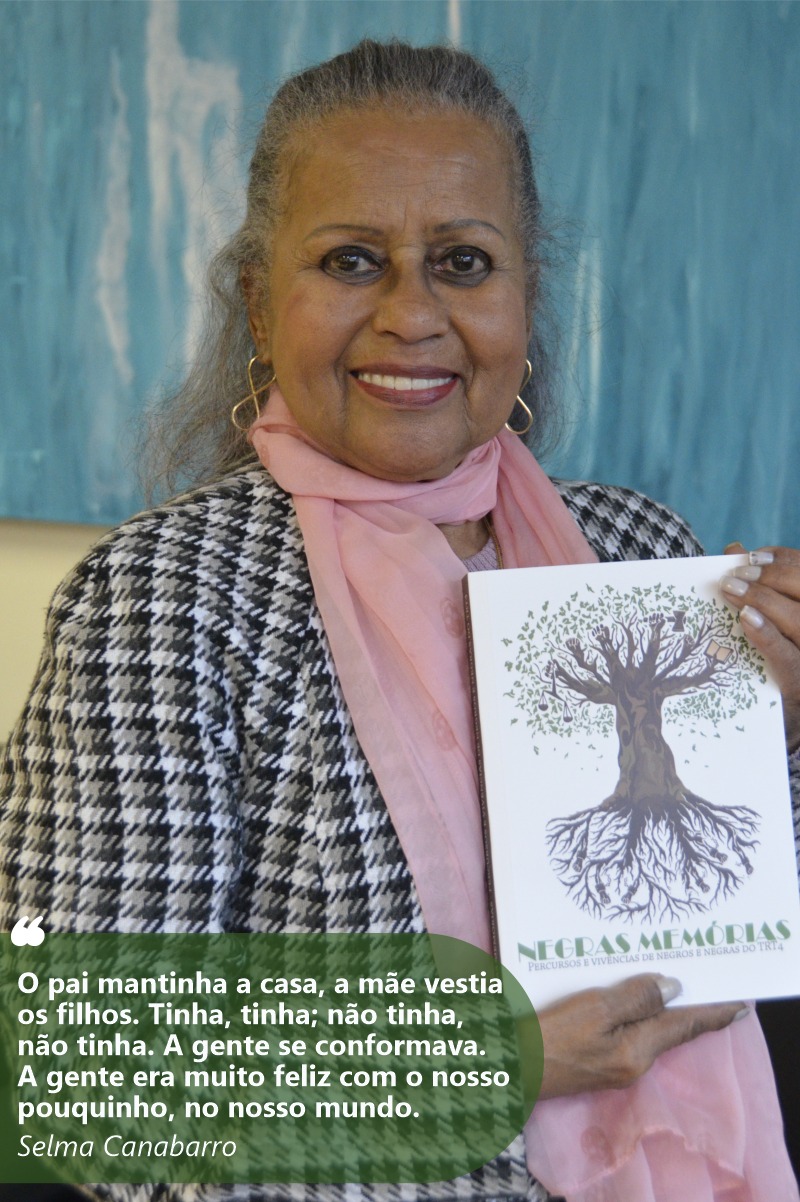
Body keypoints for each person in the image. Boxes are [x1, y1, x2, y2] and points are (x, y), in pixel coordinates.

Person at [2, 38, 799, 1202]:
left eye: (462, 262)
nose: (410, 314)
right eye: (352, 260)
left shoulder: (639, 549)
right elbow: (85, 1073)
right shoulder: (166, 597)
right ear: (260, 306)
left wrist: (780, 732)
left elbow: (746, 934)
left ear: (523, 298)